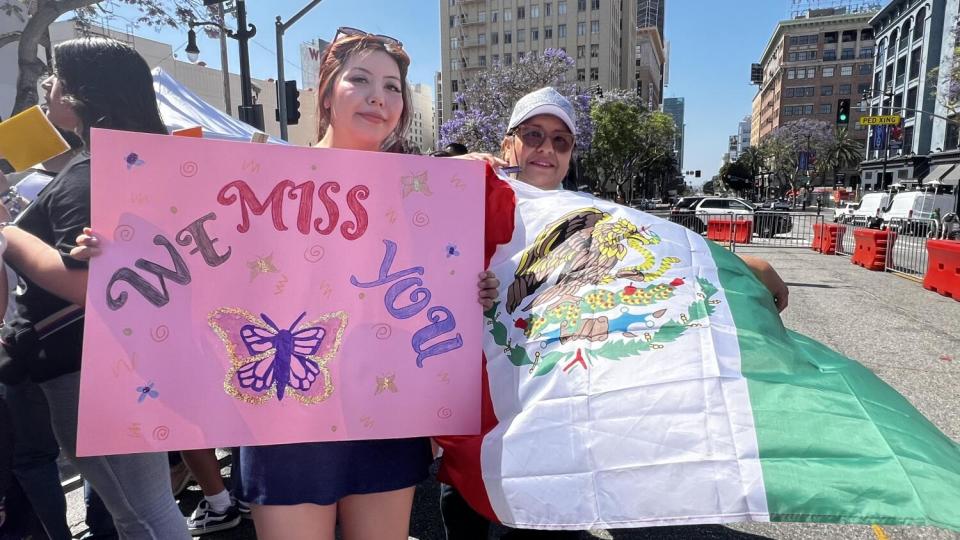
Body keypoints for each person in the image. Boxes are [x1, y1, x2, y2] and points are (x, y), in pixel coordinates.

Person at [70, 28, 500, 540]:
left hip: (386, 413)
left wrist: (475, 290)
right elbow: (195, 264)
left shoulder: (424, 191)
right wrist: (114, 255)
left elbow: (440, 287)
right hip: (284, 422)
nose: (377, 98)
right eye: (359, 80)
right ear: (327, 92)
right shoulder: (263, 173)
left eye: (392, 87)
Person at [435, 87, 789, 539]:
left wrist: (750, 268)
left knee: (550, 516)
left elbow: (666, 254)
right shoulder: (476, 194)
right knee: (467, 503)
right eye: (533, 135)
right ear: (509, 143)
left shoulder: (589, 216)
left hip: (551, 414)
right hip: (475, 401)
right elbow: (407, 201)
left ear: (571, 155)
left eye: (560, 141)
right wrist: (455, 167)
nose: (546, 148)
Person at [0, 37, 189, 539]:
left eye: (56, 77)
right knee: (147, 506)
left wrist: (9, 234)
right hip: (123, 357)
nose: (48, 88)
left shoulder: (91, 171)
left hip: (86, 365)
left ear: (86, 93)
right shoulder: (136, 161)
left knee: (140, 511)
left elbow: (86, 286)